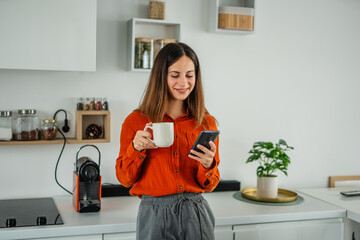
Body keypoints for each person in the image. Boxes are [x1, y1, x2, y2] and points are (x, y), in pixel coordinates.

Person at [115, 42, 220, 240]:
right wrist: (136, 148)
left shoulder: (206, 122)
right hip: (154, 215)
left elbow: (209, 184)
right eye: (175, 75)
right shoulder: (136, 121)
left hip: (196, 212)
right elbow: (125, 179)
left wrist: (208, 164)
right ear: (161, 76)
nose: (184, 83)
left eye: (189, 75)